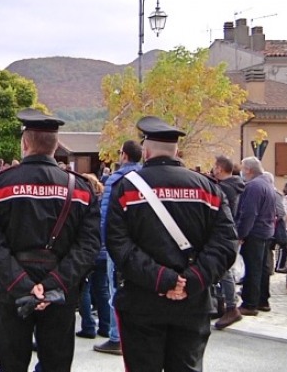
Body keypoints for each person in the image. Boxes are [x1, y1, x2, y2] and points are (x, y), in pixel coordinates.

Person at [107, 116, 236, 372]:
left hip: (142, 299)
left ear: (146, 150)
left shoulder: (126, 188)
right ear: (177, 150)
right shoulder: (208, 189)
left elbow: (118, 244)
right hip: (193, 301)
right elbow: (226, 244)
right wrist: (193, 279)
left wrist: (161, 278)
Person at [0, 109, 100, 372]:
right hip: (60, 291)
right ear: (55, 145)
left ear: (25, 143)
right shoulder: (79, 188)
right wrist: (54, 284)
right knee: (57, 365)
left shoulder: (0, 185)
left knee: (12, 365)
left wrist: (22, 284)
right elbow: (88, 246)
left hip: (11, 289)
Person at [93, 139, 142, 356]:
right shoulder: (146, 177)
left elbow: (106, 215)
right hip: (143, 244)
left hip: (119, 244)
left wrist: (104, 243)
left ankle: (117, 337)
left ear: (124, 156)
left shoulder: (116, 179)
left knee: (116, 290)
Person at [236, 156, 276, 316]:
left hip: (255, 232)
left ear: (248, 170)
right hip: (266, 231)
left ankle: (250, 303)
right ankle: (262, 300)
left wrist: (241, 234)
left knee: (252, 268)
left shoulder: (253, 186)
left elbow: (249, 213)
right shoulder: (267, 184)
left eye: (242, 168)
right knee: (263, 268)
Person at [211, 155, 246, 329]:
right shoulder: (236, 185)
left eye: (215, 166)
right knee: (224, 270)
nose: (213, 169)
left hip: (222, 232)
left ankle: (231, 307)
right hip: (229, 231)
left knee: (225, 270)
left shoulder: (225, 188)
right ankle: (222, 304)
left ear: (220, 168)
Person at [76, 173, 110, 340]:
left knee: (84, 290)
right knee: (102, 290)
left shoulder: (83, 203)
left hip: (89, 252)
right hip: (104, 252)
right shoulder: (105, 201)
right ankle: (105, 325)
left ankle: (88, 325)